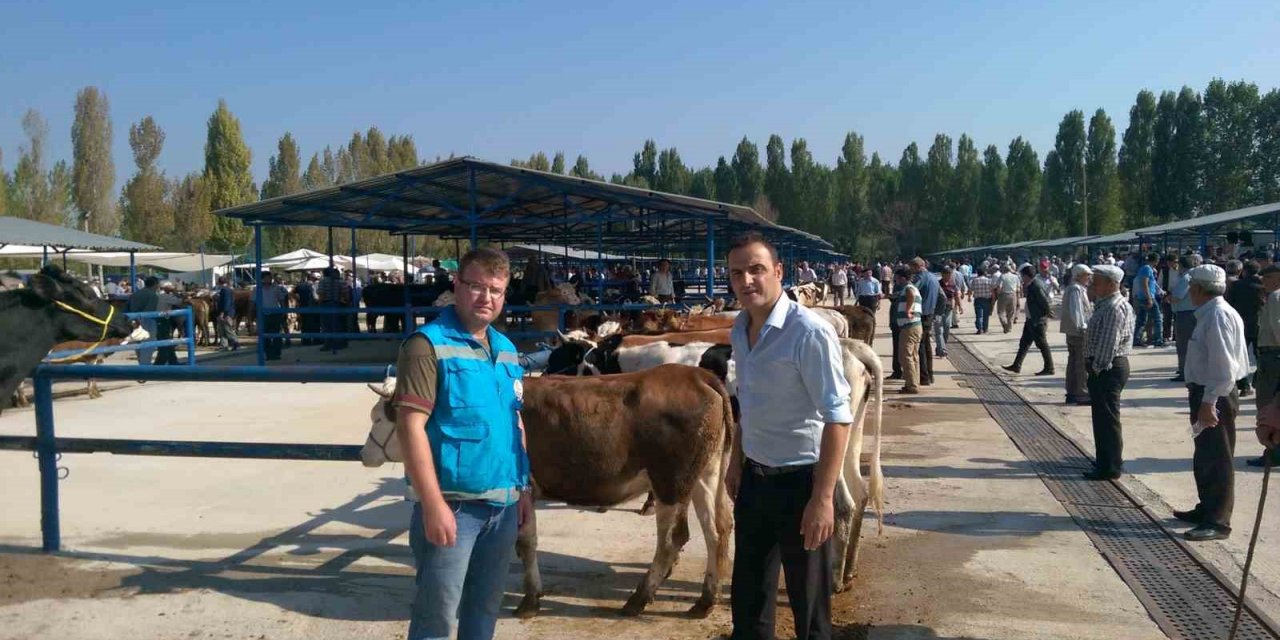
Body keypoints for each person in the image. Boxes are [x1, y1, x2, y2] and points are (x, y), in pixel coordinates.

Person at [391, 247, 532, 640]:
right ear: (456, 286)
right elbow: (410, 426)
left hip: (502, 508)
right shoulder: (426, 345)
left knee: (485, 610)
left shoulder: (505, 349)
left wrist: (524, 488)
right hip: (453, 507)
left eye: (497, 290)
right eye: (476, 286)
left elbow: (514, 420)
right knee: (437, 616)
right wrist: (433, 504)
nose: (486, 297)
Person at [724, 232, 853, 640]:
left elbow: (838, 418)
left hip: (802, 485)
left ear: (778, 272)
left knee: (810, 610)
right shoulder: (739, 330)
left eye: (757, 270)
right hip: (754, 482)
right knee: (748, 604)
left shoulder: (808, 332)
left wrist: (824, 498)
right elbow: (748, 402)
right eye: (737, 273)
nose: (747, 280)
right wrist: (734, 462)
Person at [1176, 264, 1250, 542]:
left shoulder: (1217, 316)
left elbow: (1223, 368)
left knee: (1217, 457)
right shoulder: (1211, 313)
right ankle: (1206, 508)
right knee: (1205, 454)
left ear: (1197, 289)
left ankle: (1218, 521)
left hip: (1214, 394)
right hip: (1207, 393)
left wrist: (1209, 402)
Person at [1082, 265, 1134, 480]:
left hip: (1108, 367)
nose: (1093, 284)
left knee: (1107, 419)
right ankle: (1105, 460)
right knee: (1102, 418)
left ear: (1112, 284)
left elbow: (1108, 343)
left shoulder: (1114, 307)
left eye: (1098, 281)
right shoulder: (1106, 304)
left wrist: (1096, 367)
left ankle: (1110, 466)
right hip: (1105, 366)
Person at [1248, 264, 1280, 467]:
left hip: (1273, 357)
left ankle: (1274, 451)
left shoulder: (1276, 297)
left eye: (1266, 278)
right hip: (1272, 356)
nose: (1263, 282)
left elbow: (1278, 327)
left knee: (1269, 405)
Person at [1003, 265, 1054, 375]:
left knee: (1042, 344)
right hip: (1031, 319)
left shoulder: (1036, 286)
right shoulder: (1031, 285)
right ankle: (1016, 365)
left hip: (1037, 320)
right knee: (1024, 343)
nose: (1021, 278)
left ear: (1026, 276)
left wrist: (1045, 315)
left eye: (1022, 276)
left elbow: (1045, 301)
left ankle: (1049, 367)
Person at [1225, 260, 1263, 396]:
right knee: (1261, 357)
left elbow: (1229, 304)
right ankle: (1260, 382)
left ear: (1244, 271)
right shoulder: (1263, 286)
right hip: (1260, 325)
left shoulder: (1236, 286)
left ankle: (1244, 385)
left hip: (1241, 325)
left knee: (1240, 356)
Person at [1061, 265, 1093, 405]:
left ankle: (1072, 392)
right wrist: (1082, 328)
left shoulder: (1075, 288)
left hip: (1072, 331)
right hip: (1078, 332)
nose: (1089, 278)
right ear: (1078, 275)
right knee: (1081, 364)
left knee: (1073, 362)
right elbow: (1077, 311)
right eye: (1086, 275)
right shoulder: (1076, 289)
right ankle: (1082, 394)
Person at [1168, 254, 1201, 381]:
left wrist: (1169, 298)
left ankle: (1184, 371)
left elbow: (1177, 296)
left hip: (1185, 313)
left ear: (1181, 265)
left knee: (1183, 345)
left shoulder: (1186, 276)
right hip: (1193, 311)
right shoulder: (1196, 274)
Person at [893, 269, 923, 395]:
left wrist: (908, 310)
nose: (896, 280)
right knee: (913, 356)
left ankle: (911, 385)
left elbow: (909, 294)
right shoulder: (912, 288)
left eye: (897, 278)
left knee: (905, 356)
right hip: (915, 326)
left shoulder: (909, 288)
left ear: (903, 278)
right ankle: (913, 382)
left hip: (909, 326)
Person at [910, 258, 939, 386]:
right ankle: (930, 374)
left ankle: (924, 376)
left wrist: (894, 295)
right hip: (930, 313)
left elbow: (911, 290)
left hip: (921, 313)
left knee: (920, 346)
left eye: (912, 268)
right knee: (927, 345)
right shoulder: (933, 277)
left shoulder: (920, 277)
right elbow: (942, 296)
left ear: (917, 267)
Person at [1132, 252, 1165, 347]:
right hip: (1147, 297)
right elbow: (1144, 283)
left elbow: (1153, 283)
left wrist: (1160, 291)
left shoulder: (1148, 269)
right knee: (1158, 318)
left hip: (1144, 296)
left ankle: (1136, 339)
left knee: (1141, 319)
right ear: (1156, 260)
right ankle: (1158, 339)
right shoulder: (1147, 269)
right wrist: (1149, 298)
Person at [127, 276, 161, 366]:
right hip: (147, 321)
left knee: (138, 345)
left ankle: (141, 365)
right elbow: (150, 311)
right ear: (155, 285)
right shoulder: (153, 296)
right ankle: (145, 368)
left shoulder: (136, 294)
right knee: (148, 346)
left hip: (134, 321)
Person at [259, 272, 289, 361]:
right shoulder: (258, 289)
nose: (270, 279)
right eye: (268, 277)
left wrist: (283, 311)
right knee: (265, 336)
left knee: (277, 335)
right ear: (263, 279)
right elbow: (252, 302)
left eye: (270, 277)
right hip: (264, 314)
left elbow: (282, 300)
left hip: (275, 313)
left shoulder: (276, 288)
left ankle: (276, 354)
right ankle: (268, 354)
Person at [153, 281, 185, 366]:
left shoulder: (157, 295)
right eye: (170, 286)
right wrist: (175, 292)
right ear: (166, 288)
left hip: (157, 319)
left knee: (166, 341)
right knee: (165, 340)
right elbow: (179, 302)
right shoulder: (166, 297)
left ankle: (172, 361)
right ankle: (161, 362)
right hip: (163, 320)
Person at [934, 266, 960, 358]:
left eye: (950, 275)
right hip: (938, 309)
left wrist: (959, 306)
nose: (949, 277)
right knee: (939, 330)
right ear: (943, 274)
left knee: (946, 328)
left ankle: (941, 346)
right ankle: (942, 349)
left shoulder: (953, 284)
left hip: (949, 309)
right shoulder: (938, 284)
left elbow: (956, 295)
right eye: (947, 275)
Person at [968, 267, 995, 334]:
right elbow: (992, 291)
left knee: (979, 315)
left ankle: (979, 328)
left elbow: (970, 290)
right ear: (984, 273)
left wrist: (969, 297)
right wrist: (993, 299)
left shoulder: (974, 280)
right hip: (987, 300)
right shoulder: (989, 280)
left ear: (977, 273)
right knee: (986, 315)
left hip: (978, 300)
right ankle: (985, 329)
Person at [295, 273, 319, 345]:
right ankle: (316, 340)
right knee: (315, 324)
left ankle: (306, 340)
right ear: (312, 278)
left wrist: (298, 300)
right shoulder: (315, 286)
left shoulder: (301, 285)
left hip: (303, 306)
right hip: (314, 307)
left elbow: (293, 293)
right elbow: (316, 297)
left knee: (305, 324)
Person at [995, 265, 1020, 333]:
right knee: (1011, 312)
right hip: (1013, 294)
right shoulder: (1016, 277)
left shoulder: (1002, 276)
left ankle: (1005, 324)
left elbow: (999, 287)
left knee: (1001, 312)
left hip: (1003, 294)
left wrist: (998, 294)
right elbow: (1018, 288)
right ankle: (1009, 327)